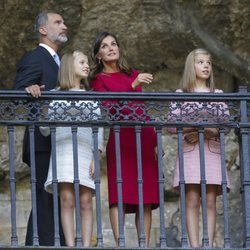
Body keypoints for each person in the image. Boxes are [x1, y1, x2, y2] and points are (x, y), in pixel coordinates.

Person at [89, 31, 159, 246]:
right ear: (98, 55)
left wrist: (155, 140)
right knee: (119, 194)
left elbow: (142, 109)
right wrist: (132, 85)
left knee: (145, 197)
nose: (111, 48)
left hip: (144, 136)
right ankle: (121, 245)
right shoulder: (98, 79)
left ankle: (144, 245)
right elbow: (109, 108)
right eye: (104, 46)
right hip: (121, 138)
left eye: (114, 44)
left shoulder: (133, 73)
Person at [13, 11, 68, 246]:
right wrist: (29, 88)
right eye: (58, 22)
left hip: (61, 140)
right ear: (43, 30)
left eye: (64, 22)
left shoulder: (61, 62)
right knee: (46, 199)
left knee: (56, 200)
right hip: (42, 142)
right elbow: (16, 94)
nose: (64, 26)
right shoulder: (35, 57)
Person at [40, 50, 103, 246]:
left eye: (87, 62)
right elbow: (44, 130)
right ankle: (70, 245)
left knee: (85, 201)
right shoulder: (54, 95)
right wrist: (43, 110)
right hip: (63, 151)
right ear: (69, 66)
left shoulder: (91, 97)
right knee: (67, 199)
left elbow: (98, 128)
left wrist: (96, 155)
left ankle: (85, 245)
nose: (87, 65)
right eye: (82, 62)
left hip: (85, 150)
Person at [168, 48, 230, 247]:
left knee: (210, 201)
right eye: (201, 62)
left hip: (212, 152)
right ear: (190, 66)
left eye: (209, 63)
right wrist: (197, 127)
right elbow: (171, 125)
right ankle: (195, 246)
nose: (206, 66)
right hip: (190, 152)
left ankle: (209, 244)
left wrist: (209, 130)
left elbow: (226, 124)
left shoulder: (218, 94)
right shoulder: (181, 94)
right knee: (192, 200)